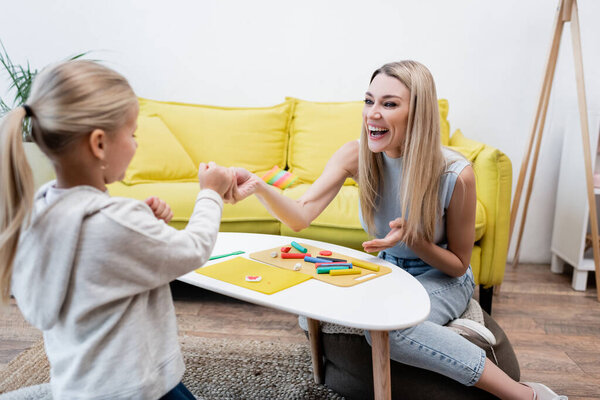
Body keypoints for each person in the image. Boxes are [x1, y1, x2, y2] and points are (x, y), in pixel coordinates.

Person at [231, 60, 566, 400]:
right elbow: (300, 215)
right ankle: (446, 335)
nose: (372, 113)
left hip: (442, 277)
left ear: (417, 113)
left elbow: (459, 265)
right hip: (389, 266)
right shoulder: (356, 155)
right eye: (369, 100)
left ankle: (525, 394)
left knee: (395, 333)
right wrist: (259, 186)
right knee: (311, 312)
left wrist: (415, 240)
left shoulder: (455, 174)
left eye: (389, 104)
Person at [0, 60, 248, 399]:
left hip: (78, 388)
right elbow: (193, 249)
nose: (135, 144)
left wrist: (143, 225)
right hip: (136, 390)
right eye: (132, 134)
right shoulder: (116, 221)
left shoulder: (38, 214)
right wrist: (211, 193)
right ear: (99, 144)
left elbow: (101, 261)